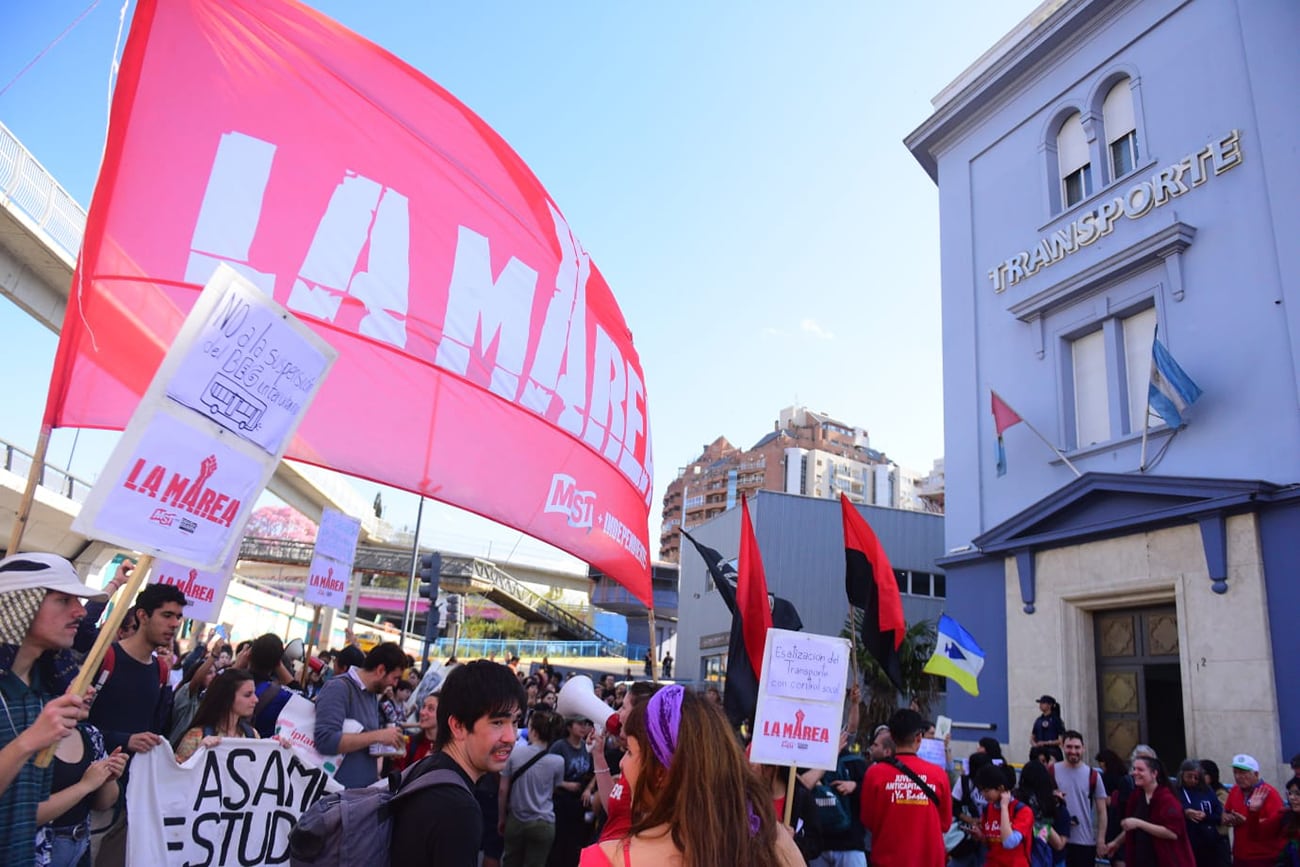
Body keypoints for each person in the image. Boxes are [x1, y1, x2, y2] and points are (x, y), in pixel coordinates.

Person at [578, 684, 803, 867]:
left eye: (629, 752)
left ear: (660, 773)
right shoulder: (772, 840)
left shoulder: (604, 860)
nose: (621, 762)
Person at [0, 552, 105, 863]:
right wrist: (31, 740)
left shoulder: (40, 693)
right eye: (63, 600)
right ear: (20, 605)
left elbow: (27, 808)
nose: (80, 612)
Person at [87, 578, 186, 867]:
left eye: (178, 617)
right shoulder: (106, 657)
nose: (174, 624)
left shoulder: (161, 671)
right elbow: (74, 727)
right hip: (91, 792)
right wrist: (124, 739)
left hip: (134, 795)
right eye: (167, 615)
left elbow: (156, 730)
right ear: (142, 616)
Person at [389, 659, 526, 865]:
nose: (511, 737)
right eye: (497, 722)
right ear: (458, 726)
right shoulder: (459, 809)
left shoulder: (427, 769)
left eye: (515, 722)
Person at [860, 709, 952, 867]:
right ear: (919, 738)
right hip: (929, 861)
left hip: (887, 860)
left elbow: (868, 820)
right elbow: (945, 824)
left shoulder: (874, 774)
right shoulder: (938, 775)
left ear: (892, 738)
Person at [312, 641, 408, 788]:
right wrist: (378, 736)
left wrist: (387, 747)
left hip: (358, 794)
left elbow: (363, 741)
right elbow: (325, 740)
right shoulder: (339, 687)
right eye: (394, 678)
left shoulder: (371, 694)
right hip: (336, 797)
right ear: (381, 670)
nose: (395, 684)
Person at [35, 720, 126, 867]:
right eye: (82, 694)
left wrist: (109, 778)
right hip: (42, 850)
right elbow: (27, 814)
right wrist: (85, 786)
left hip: (81, 845)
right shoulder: (32, 737)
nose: (90, 695)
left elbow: (104, 804)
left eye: (93, 694)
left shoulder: (91, 734)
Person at [593, 681, 661, 843]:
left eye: (623, 707)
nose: (618, 713)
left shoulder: (649, 766)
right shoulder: (634, 760)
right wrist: (598, 755)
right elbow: (613, 808)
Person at [499, 709, 566, 867]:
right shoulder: (558, 761)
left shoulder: (514, 753)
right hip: (543, 822)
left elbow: (503, 790)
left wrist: (502, 817)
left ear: (534, 732)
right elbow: (556, 786)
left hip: (516, 819)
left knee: (510, 862)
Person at [1105, 755, 1195, 867]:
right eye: (1134, 769)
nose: (1135, 773)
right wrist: (1116, 843)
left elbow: (1172, 833)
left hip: (1165, 860)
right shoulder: (1136, 796)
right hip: (1141, 858)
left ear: (1154, 774)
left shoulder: (1167, 798)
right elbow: (1133, 826)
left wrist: (1139, 823)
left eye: (1140, 770)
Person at [174, 669, 260, 761]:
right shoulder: (196, 736)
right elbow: (179, 772)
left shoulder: (252, 734)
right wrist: (198, 754)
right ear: (227, 698)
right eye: (247, 695)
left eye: (254, 694)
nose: (256, 699)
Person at [1055, 730, 1108, 867]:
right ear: (1062, 746)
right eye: (1069, 747)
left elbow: (1102, 811)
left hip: (1084, 842)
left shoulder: (1093, 775)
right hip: (1056, 840)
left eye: (1077, 747)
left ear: (1083, 748)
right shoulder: (1051, 771)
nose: (1073, 751)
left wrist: (1101, 840)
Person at [548, 715, 597, 867]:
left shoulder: (585, 746)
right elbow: (547, 772)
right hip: (561, 800)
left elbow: (595, 771)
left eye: (586, 724)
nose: (583, 727)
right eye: (579, 724)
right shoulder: (559, 746)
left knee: (574, 843)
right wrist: (564, 784)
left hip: (578, 801)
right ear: (569, 727)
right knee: (559, 842)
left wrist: (588, 789)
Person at [1223, 753, 1283, 867]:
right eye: (1235, 772)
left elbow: (1275, 825)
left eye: (1243, 773)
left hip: (1263, 856)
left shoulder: (1269, 793)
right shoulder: (1235, 790)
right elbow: (1226, 811)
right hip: (1239, 855)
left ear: (1256, 774)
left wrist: (1247, 821)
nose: (1238, 777)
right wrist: (1227, 818)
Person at [976, 762, 1034, 866]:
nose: (983, 795)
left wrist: (1004, 807)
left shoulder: (1023, 811)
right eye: (981, 791)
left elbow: (1009, 843)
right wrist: (980, 836)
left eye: (987, 791)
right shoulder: (987, 809)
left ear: (1001, 788)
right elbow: (991, 843)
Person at [245, 632, 299, 737]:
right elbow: (302, 698)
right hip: (263, 749)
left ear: (249, 655)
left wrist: (237, 664)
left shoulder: (231, 683)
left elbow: (207, 693)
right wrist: (277, 662)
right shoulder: (281, 695)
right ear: (278, 663)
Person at [1176, 759, 1224, 867]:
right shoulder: (1176, 791)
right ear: (1181, 775)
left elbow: (1219, 815)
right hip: (1187, 842)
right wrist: (1185, 812)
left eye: (1196, 777)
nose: (1193, 780)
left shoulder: (1207, 791)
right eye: (1189, 776)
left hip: (1209, 843)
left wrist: (1205, 816)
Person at [395, 692, 439, 771]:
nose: (422, 712)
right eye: (423, 706)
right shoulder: (409, 743)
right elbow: (398, 776)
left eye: (431, 709)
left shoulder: (450, 749)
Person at [1031, 696, 1066, 762]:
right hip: (1038, 752)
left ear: (1050, 705)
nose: (1040, 705)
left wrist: (1045, 743)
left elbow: (1061, 740)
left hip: (1052, 752)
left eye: (1043, 703)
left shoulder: (1056, 720)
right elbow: (1032, 737)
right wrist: (1035, 745)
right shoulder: (1038, 720)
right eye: (1040, 703)